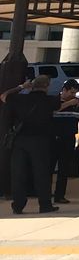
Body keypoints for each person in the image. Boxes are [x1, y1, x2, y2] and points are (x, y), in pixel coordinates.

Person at [2, 75, 60, 214]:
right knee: (41, 173)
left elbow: (4, 96)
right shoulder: (50, 100)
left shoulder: (18, 99)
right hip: (41, 141)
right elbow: (58, 107)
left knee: (18, 173)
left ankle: (18, 205)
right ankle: (45, 204)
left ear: (32, 86)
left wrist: (21, 87)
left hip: (20, 140)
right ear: (46, 86)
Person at [52, 79, 79, 205]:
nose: (73, 95)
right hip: (53, 138)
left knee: (64, 168)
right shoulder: (54, 101)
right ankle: (45, 194)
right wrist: (68, 104)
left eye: (75, 93)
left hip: (69, 138)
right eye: (71, 92)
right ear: (64, 90)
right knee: (48, 167)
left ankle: (60, 195)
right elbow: (51, 112)